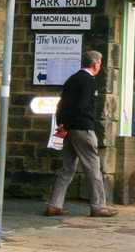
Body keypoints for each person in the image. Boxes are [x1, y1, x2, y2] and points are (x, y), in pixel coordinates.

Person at [47, 50, 118, 218]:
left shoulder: (72, 79)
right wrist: (69, 125)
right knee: (93, 168)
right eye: (100, 63)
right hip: (83, 128)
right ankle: (98, 206)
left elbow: (62, 104)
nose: (100, 65)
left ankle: (54, 204)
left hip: (69, 129)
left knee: (67, 168)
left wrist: (63, 125)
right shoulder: (89, 82)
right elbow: (82, 106)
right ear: (96, 64)